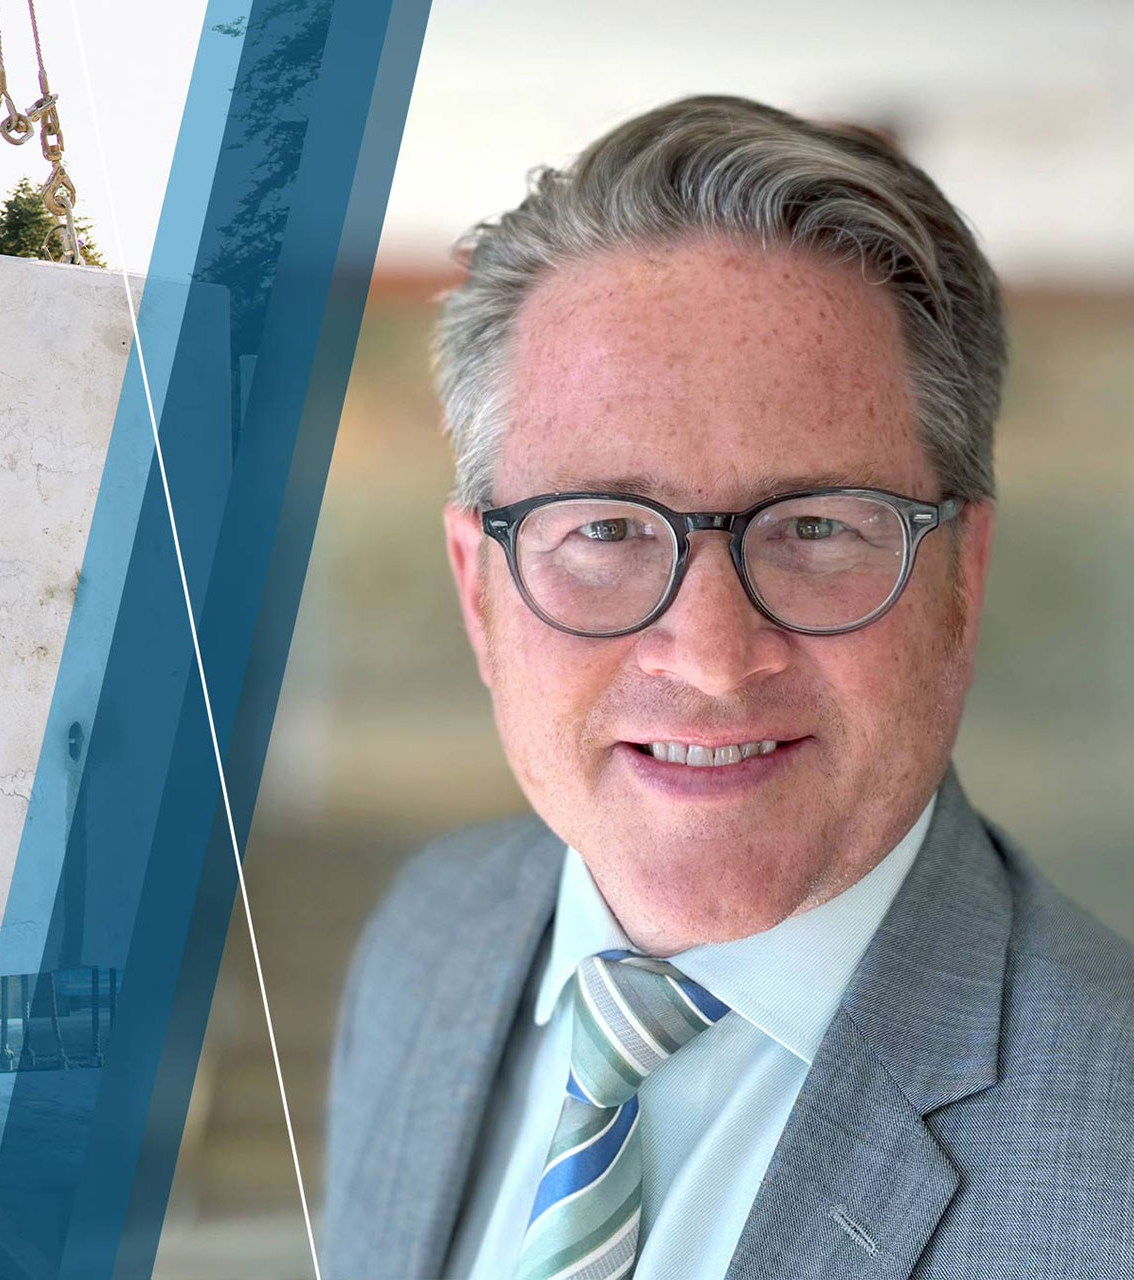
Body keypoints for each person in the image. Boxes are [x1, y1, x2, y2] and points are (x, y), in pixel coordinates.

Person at [324, 96, 1134, 1279]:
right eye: (603, 527)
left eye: (815, 525)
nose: (709, 654)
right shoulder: (422, 936)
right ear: (476, 587)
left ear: (963, 573)